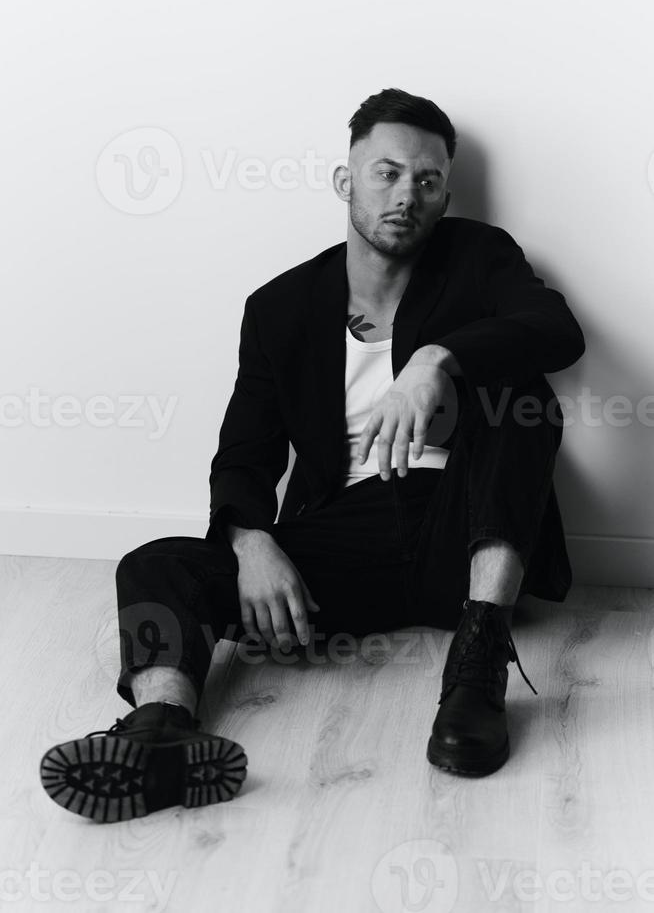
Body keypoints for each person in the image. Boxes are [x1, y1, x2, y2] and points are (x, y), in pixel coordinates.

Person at [40, 88, 585, 822]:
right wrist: (248, 538)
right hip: (346, 541)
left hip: (465, 521)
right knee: (156, 565)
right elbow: (244, 452)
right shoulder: (281, 308)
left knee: (519, 396)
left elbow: (555, 330)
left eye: (427, 180)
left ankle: (477, 670)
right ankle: (160, 731)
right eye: (386, 173)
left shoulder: (479, 258)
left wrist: (435, 360)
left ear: (446, 193)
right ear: (345, 181)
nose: (407, 195)